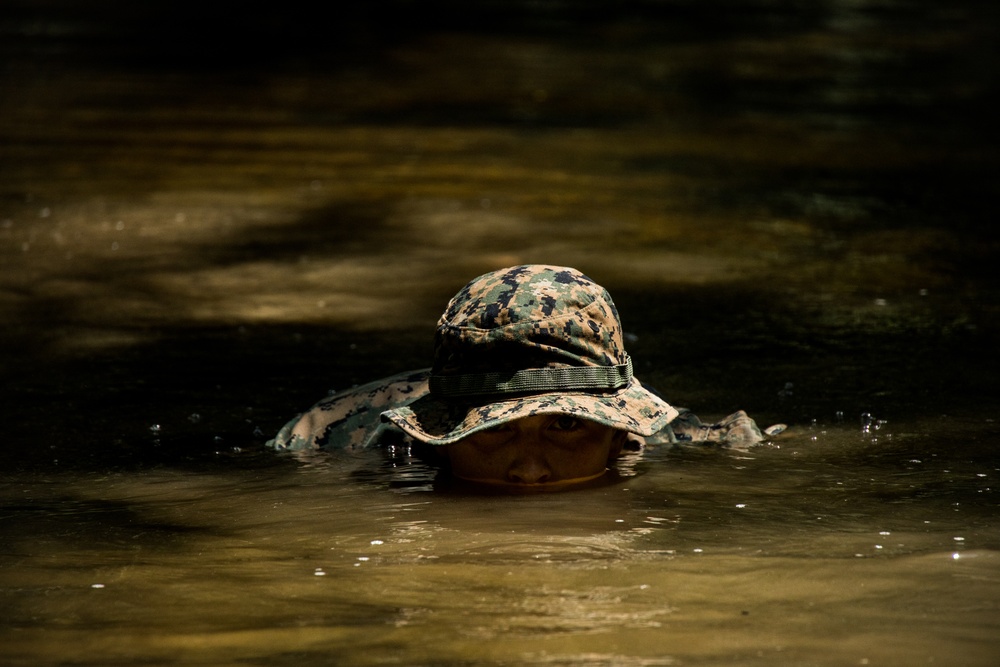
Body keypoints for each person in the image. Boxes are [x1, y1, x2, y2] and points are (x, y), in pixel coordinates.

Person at [267, 265, 783, 489]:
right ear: (440, 436)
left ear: (620, 433)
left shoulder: (692, 440)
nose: (529, 471)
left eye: (565, 426)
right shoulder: (322, 440)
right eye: (493, 430)